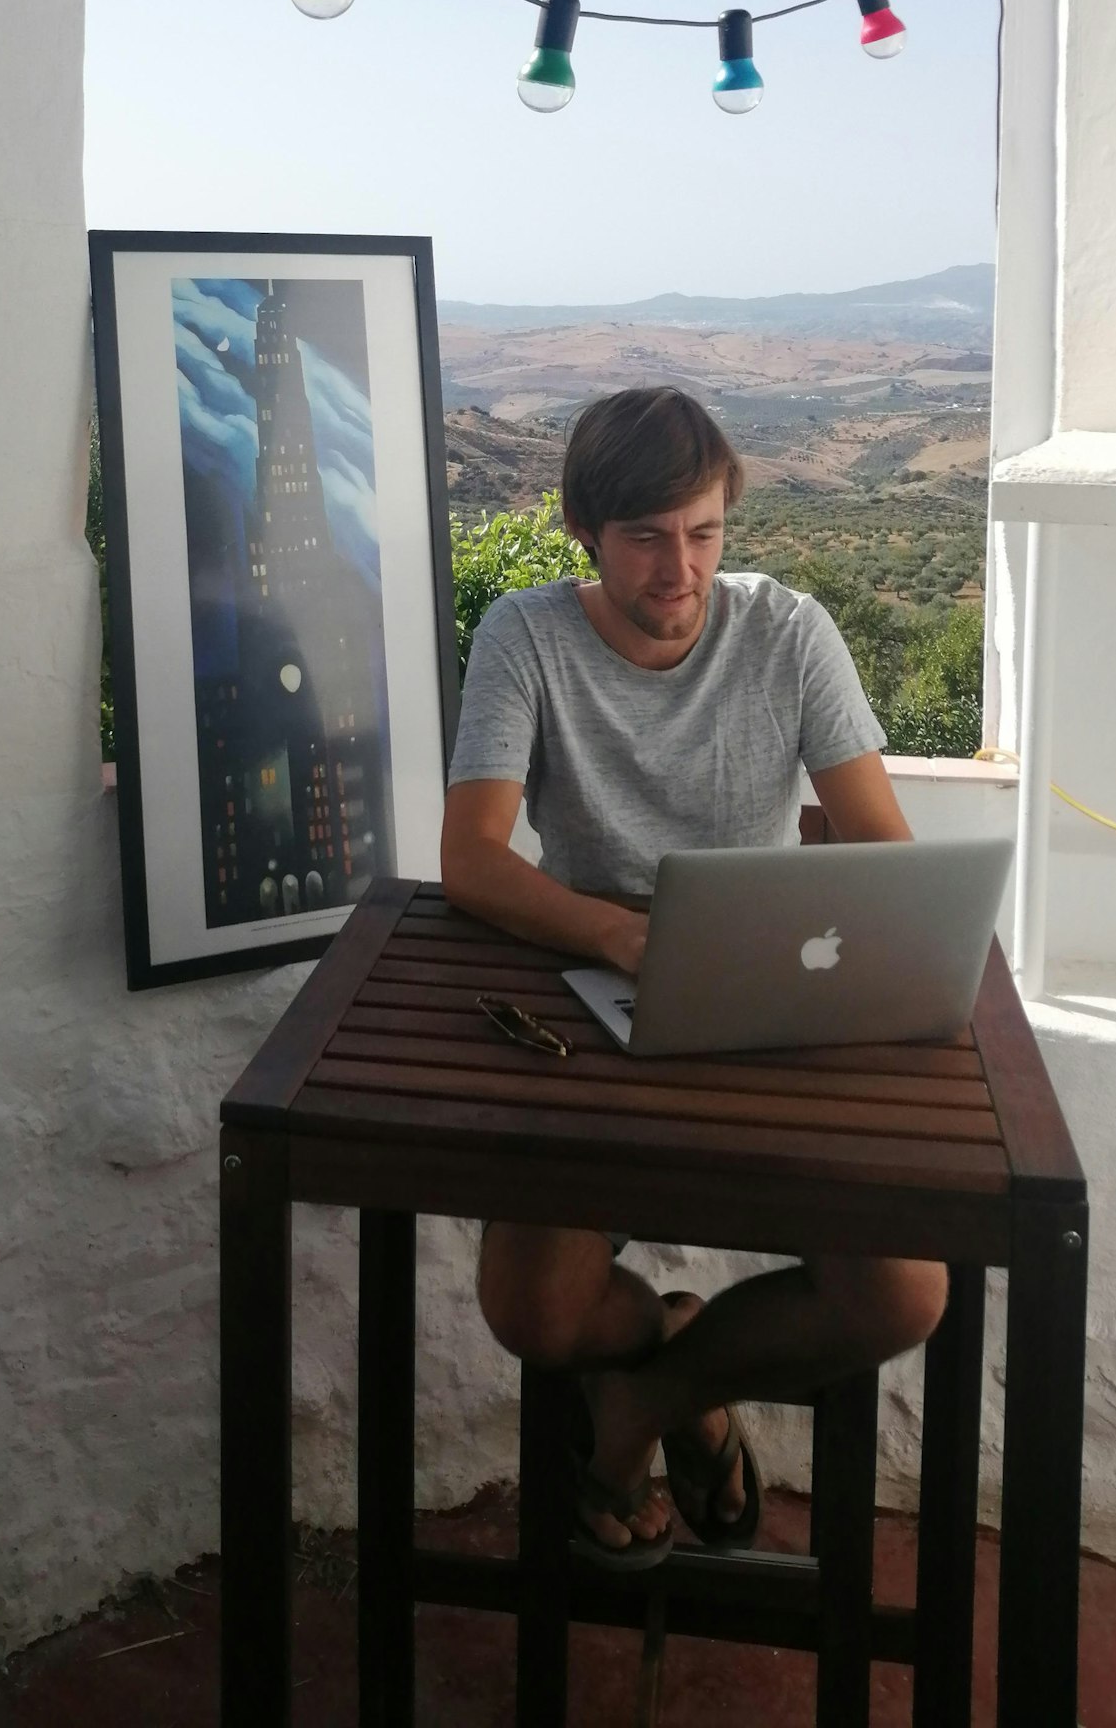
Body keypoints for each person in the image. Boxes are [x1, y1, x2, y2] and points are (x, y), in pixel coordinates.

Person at [440, 386, 944, 1568]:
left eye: (706, 532)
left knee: (903, 1294)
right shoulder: (525, 635)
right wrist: (616, 937)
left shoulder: (787, 631)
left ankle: (649, 1401)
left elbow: (881, 847)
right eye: (647, 537)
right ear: (585, 531)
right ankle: (662, 1346)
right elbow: (471, 856)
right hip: (598, 1007)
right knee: (534, 1309)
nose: (682, 568)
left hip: (769, 1009)